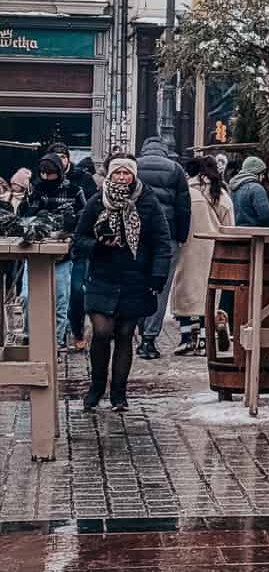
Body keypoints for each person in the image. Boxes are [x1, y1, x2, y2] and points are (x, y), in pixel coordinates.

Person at [71, 155, 171, 412]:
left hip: (135, 279)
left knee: (126, 334)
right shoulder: (96, 203)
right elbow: (78, 242)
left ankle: (119, 393)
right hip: (103, 278)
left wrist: (158, 275)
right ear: (110, 175)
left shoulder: (148, 203)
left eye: (127, 173)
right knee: (102, 332)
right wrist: (99, 245)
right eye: (118, 173)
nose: (122, 177)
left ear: (134, 176)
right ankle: (96, 387)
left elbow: (161, 241)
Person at [134, 133, 192, 360]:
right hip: (165, 237)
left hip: (137, 235)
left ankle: (138, 325)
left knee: (137, 282)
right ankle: (149, 338)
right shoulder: (175, 169)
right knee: (161, 286)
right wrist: (181, 237)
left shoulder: (135, 166)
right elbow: (183, 207)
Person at [17, 154, 85, 345]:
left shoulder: (74, 190)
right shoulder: (35, 189)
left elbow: (84, 217)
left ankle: (55, 342)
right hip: (34, 251)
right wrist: (33, 213)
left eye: (51, 174)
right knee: (26, 297)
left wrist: (71, 224)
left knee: (60, 300)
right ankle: (30, 339)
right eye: (44, 173)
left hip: (62, 254)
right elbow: (22, 216)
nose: (47, 178)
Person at [169, 157, 233, 356]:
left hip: (186, 248)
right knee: (209, 294)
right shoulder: (220, 194)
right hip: (214, 251)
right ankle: (206, 339)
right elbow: (230, 225)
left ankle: (186, 338)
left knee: (185, 292)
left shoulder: (185, 192)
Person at [230, 155, 269, 228]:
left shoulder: (234, 187)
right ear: (256, 173)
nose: (263, 177)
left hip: (236, 232)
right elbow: (266, 217)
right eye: (262, 174)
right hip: (254, 234)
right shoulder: (257, 188)